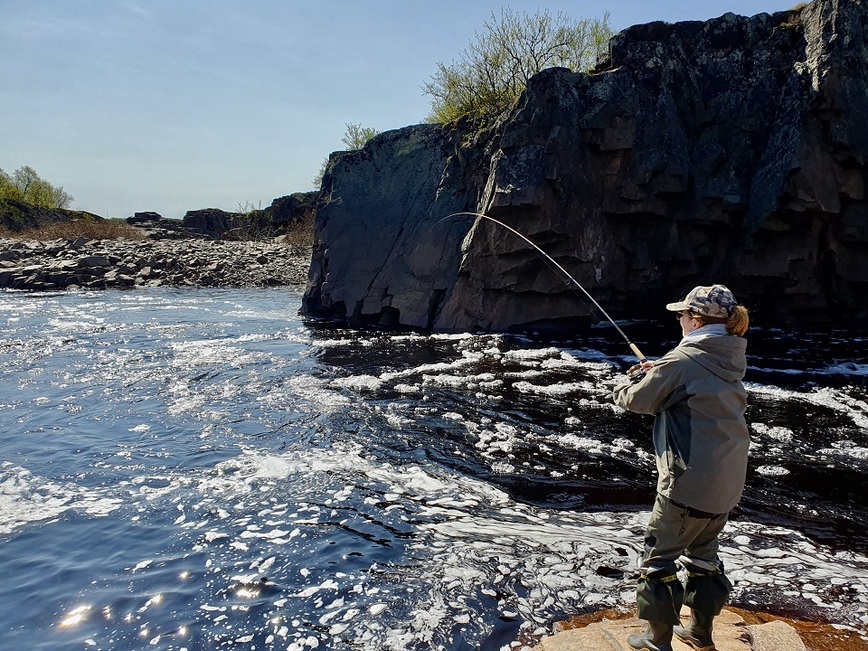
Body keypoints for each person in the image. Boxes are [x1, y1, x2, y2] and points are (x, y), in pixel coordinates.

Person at [612, 284, 750, 651]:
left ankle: (657, 641)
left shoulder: (683, 360)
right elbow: (692, 384)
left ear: (696, 320)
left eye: (681, 315)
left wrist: (628, 382)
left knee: (658, 559)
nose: (678, 320)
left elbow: (638, 401)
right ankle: (700, 634)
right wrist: (659, 371)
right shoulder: (730, 355)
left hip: (687, 483)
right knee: (704, 556)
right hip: (727, 480)